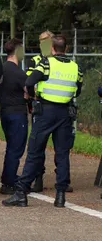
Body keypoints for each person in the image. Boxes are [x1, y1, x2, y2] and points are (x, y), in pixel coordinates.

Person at [3, 34, 82, 208]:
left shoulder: (46, 64)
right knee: (62, 154)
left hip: (46, 112)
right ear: (66, 49)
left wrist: (33, 96)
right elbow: (78, 90)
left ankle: (21, 193)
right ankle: (60, 196)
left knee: (34, 152)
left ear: (52, 49)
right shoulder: (76, 67)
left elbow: (29, 81)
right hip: (65, 113)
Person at [27, 30, 72, 192]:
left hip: (60, 108)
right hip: (41, 107)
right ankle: (38, 178)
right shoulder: (36, 60)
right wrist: (33, 98)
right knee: (38, 146)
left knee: (62, 148)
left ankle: (62, 181)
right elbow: (29, 81)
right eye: (42, 42)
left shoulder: (61, 61)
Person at [0, 38, 29, 194]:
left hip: (5, 112)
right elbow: (29, 92)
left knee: (10, 147)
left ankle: (8, 177)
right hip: (17, 114)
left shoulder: (1, 70)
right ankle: (9, 183)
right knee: (16, 149)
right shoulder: (19, 73)